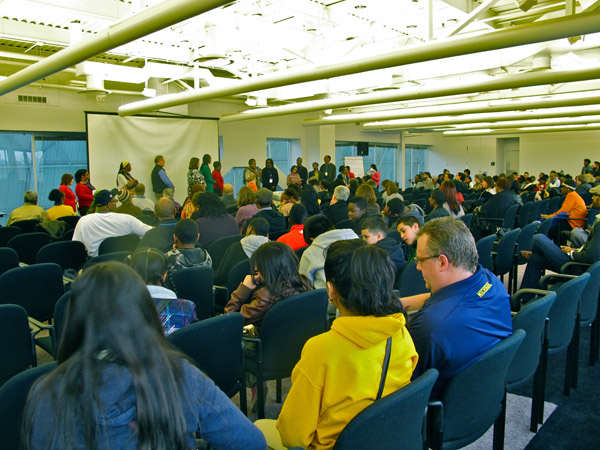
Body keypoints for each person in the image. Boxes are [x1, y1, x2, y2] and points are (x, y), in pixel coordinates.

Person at [22, 262, 266, 450]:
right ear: (144, 311)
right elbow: (251, 443)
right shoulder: (179, 375)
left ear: (75, 317)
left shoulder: (44, 392)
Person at [256, 241, 417, 450]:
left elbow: (292, 436)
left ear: (331, 290)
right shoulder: (402, 332)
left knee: (259, 428)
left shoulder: (321, 349)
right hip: (383, 439)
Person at [407, 217, 512, 398]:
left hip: (433, 413)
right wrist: (400, 303)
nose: (417, 267)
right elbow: (447, 302)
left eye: (420, 260)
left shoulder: (430, 327)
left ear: (442, 262)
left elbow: (406, 388)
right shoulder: (489, 281)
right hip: (483, 396)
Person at [520, 187, 600, 289]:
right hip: (580, 263)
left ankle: (541, 252)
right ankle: (524, 298)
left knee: (538, 238)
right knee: (535, 259)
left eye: (595, 196)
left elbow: (591, 257)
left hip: (578, 267)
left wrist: (571, 252)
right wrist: (573, 249)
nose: (592, 198)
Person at [225, 241, 312, 326]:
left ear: (267, 270)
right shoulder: (304, 283)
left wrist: (242, 291)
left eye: (258, 268)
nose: (256, 270)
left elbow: (229, 321)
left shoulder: (266, 298)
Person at [72, 190, 151, 257]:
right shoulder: (127, 219)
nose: (116, 203)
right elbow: (149, 232)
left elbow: (76, 246)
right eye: (115, 201)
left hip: (97, 265)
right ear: (109, 205)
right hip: (124, 265)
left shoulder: (83, 221)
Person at [299, 214, 358, 289]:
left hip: (327, 298)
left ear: (312, 240)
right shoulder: (354, 237)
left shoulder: (310, 253)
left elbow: (304, 286)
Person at [214, 217, 270, 285]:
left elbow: (221, 276)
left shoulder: (235, 248)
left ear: (249, 229)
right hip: (265, 291)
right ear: (267, 235)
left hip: (236, 291)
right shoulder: (275, 250)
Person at [164, 219, 212, 284]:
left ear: (175, 237)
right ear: (197, 237)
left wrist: (174, 251)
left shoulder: (169, 257)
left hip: (176, 293)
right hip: (202, 294)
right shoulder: (207, 257)